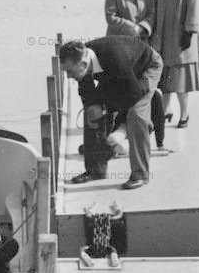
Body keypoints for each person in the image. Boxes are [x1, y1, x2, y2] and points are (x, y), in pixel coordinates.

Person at [59, 37, 163, 190]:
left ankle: (140, 174)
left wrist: (120, 126)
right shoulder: (82, 57)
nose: (68, 76)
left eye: (69, 71)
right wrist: (94, 108)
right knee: (92, 113)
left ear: (82, 64)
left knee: (136, 114)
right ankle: (96, 170)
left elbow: (132, 95)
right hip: (118, 73)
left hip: (146, 66)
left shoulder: (114, 57)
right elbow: (86, 92)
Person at [105, 0, 165, 150]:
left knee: (139, 85)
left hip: (140, 46)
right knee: (122, 84)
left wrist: (143, 27)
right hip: (119, 45)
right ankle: (119, 126)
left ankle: (139, 126)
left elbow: (151, 15)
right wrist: (132, 27)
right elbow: (110, 16)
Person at [150, 0, 199, 128]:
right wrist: (150, 29)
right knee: (165, 80)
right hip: (163, 38)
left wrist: (189, 31)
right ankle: (165, 111)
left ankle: (185, 114)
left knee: (180, 82)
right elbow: (153, 8)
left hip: (181, 39)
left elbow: (193, 7)